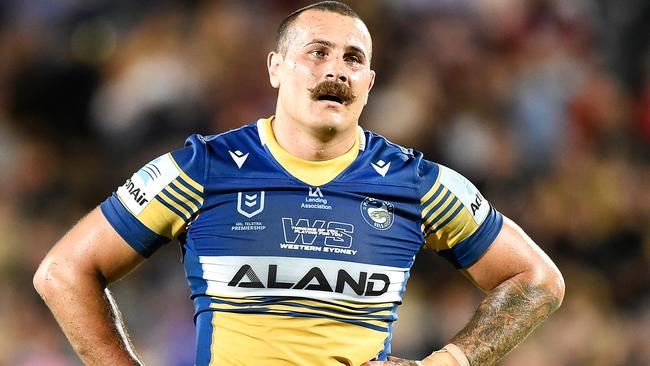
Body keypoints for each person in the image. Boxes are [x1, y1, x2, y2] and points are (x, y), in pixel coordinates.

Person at [33, 2, 565, 365]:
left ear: (369, 83)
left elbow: (537, 280)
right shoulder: (203, 168)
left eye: (353, 59)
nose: (336, 70)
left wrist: (451, 360)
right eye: (317, 52)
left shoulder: (416, 183)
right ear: (275, 67)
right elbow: (64, 271)